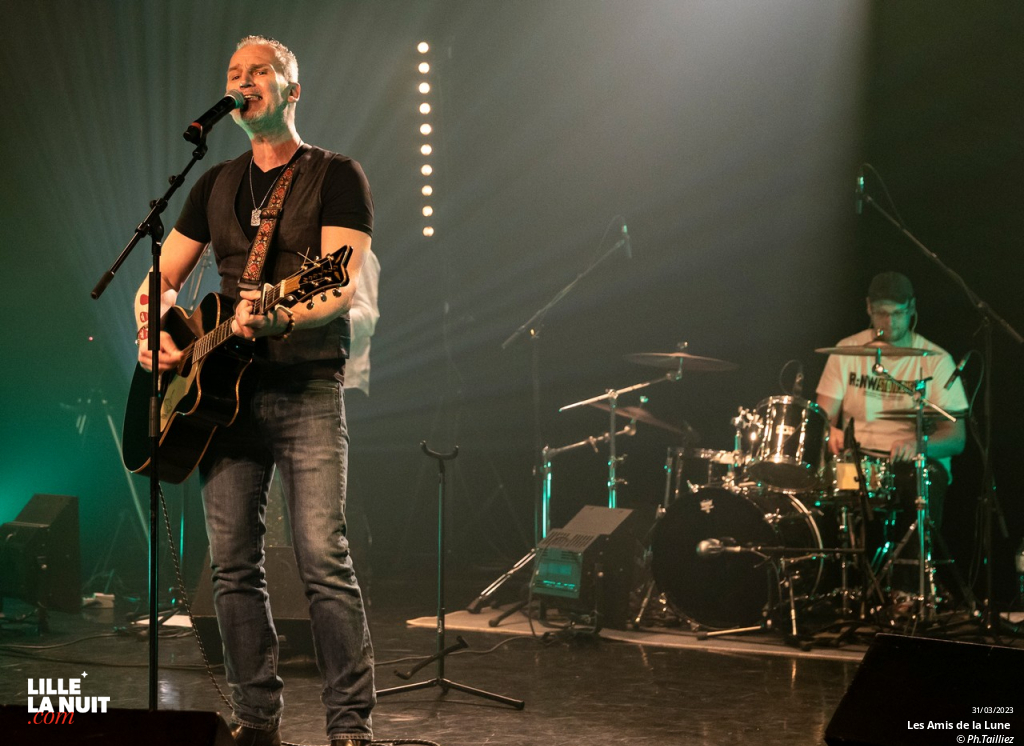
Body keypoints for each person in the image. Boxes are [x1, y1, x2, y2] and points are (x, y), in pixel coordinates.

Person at [133, 36, 374, 746]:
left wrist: (279, 310)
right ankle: (256, 719)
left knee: (321, 558)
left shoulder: (336, 175)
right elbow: (161, 276)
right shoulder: (213, 184)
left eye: (258, 73)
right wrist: (156, 336)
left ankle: (349, 726)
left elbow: (338, 282)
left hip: (305, 388)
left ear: (290, 91)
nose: (243, 83)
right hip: (220, 401)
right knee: (233, 565)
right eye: (233, 74)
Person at [815, 271, 969, 571]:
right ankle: (838, 585)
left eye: (898, 313)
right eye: (882, 313)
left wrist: (918, 444)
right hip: (857, 462)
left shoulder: (935, 360)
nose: (890, 322)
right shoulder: (847, 351)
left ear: (911, 308)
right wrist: (829, 431)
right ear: (869, 308)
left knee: (921, 484)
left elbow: (957, 438)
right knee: (824, 489)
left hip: (912, 465)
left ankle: (908, 591)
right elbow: (821, 417)